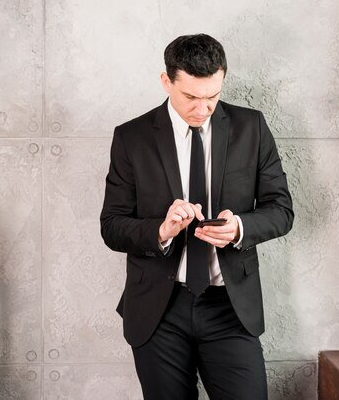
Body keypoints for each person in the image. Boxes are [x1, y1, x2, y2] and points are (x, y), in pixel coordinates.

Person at [100, 33, 294, 399]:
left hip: (230, 307)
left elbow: (281, 210)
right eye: (191, 97)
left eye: (212, 96)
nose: (203, 109)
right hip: (159, 310)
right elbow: (111, 226)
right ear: (166, 81)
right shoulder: (132, 138)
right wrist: (161, 230)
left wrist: (240, 227)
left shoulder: (251, 128)